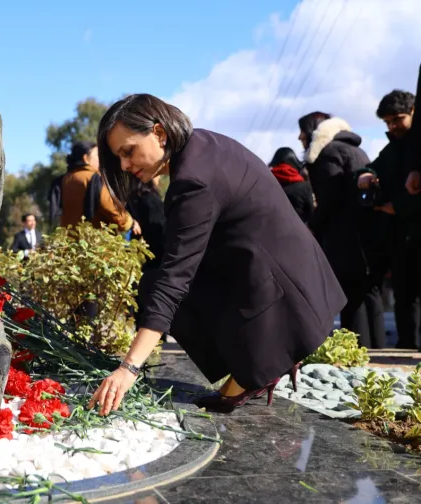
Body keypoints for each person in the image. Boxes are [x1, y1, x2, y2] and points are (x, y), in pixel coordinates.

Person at [87, 94, 345, 415]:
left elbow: (175, 278)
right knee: (155, 281)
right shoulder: (203, 146)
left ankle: (256, 366)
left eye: (128, 151)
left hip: (281, 292)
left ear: (159, 133)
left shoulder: (193, 182)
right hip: (298, 275)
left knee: (158, 286)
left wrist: (129, 368)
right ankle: (257, 360)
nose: (125, 164)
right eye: (118, 157)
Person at [301, 112, 386, 349]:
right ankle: (377, 349)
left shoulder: (329, 153)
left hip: (343, 236)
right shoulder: (358, 151)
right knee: (369, 292)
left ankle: (354, 351)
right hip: (367, 233)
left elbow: (330, 199)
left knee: (349, 294)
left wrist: (313, 227)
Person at [357, 90, 421, 349]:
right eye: (387, 122)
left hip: (414, 229)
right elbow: (373, 167)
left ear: (414, 112)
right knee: (404, 294)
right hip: (399, 237)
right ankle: (406, 346)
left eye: (398, 119)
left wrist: (400, 207)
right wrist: (365, 174)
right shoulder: (393, 148)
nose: (393, 126)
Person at [59, 141, 136, 234]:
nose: (100, 159)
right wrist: (129, 223)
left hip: (69, 243)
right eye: (97, 156)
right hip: (94, 242)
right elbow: (110, 207)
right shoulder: (94, 179)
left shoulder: (64, 180)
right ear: (86, 158)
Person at [268, 147, 314, 224]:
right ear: (294, 161)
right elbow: (311, 213)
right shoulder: (304, 186)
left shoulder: (267, 184)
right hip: (300, 231)